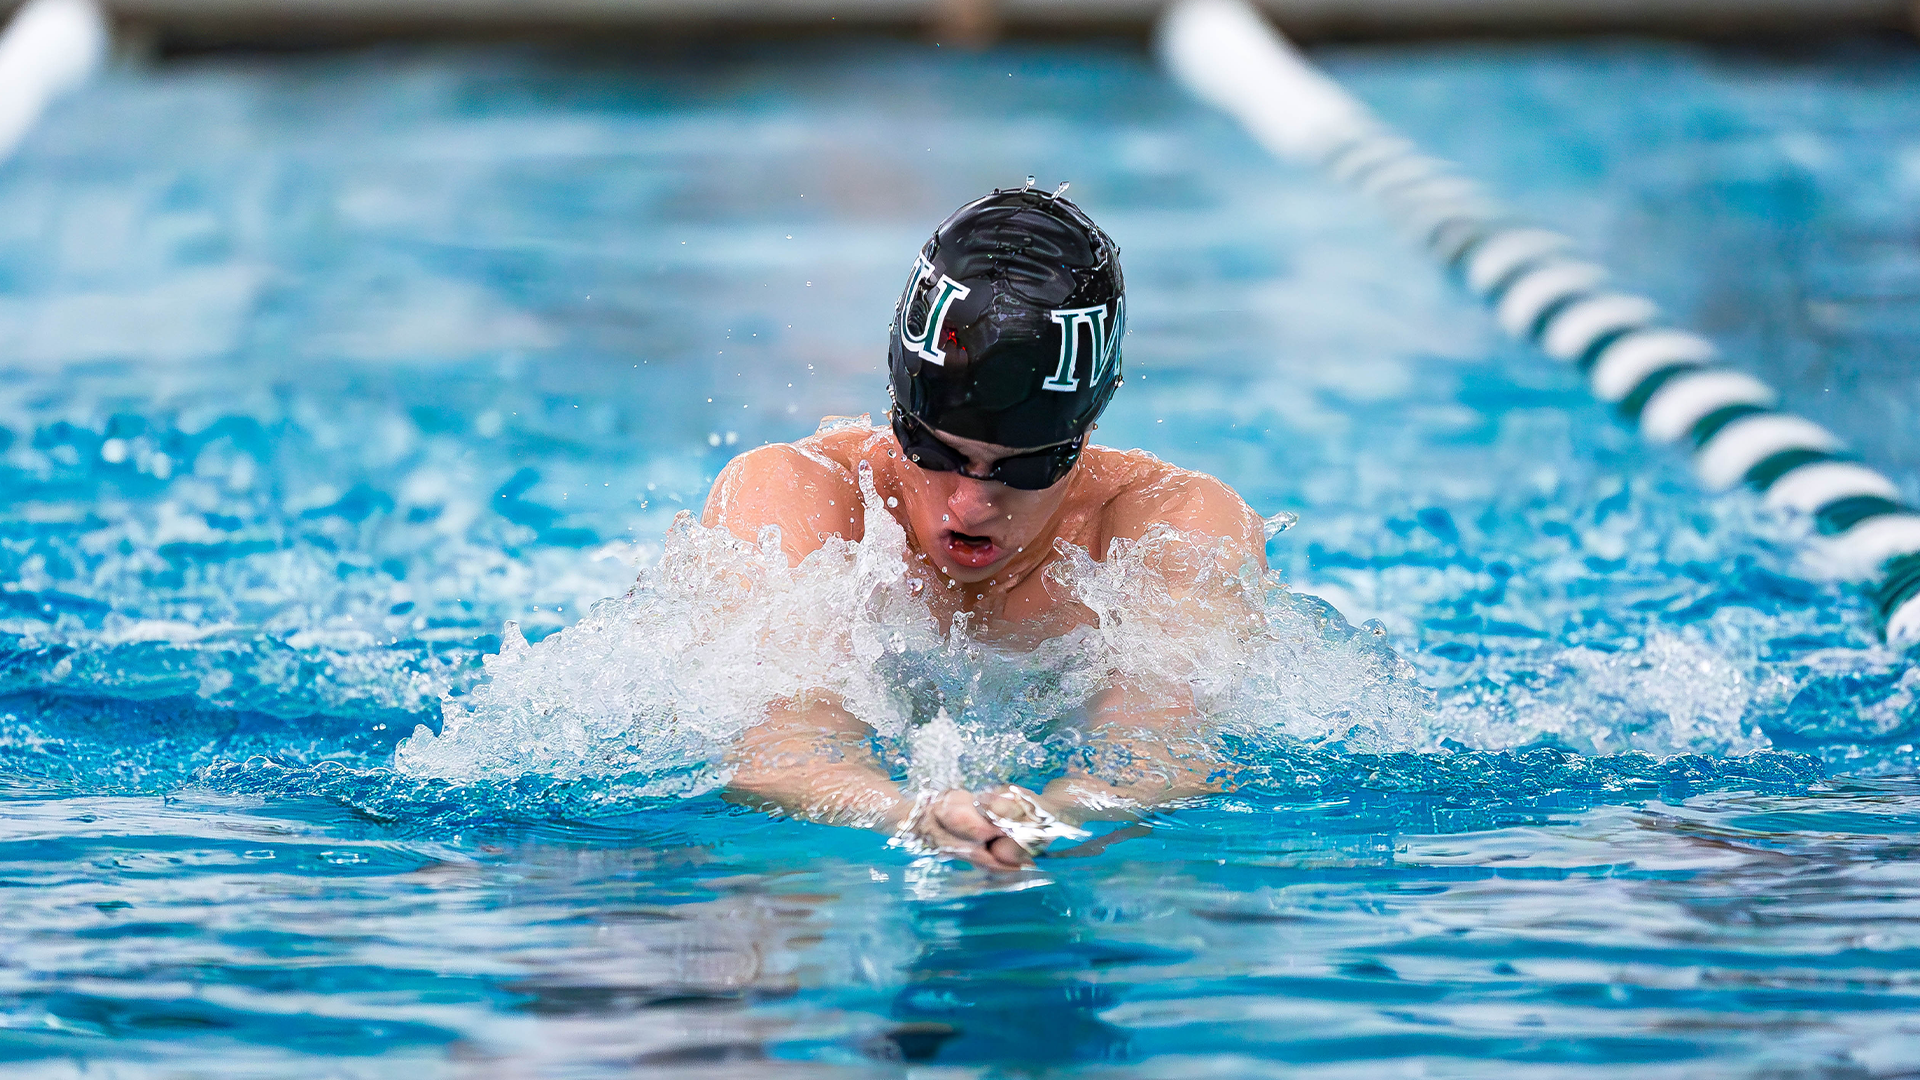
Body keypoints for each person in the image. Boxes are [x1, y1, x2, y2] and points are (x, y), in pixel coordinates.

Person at [704, 186, 1267, 870]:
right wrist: (910, 817)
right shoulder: (801, 496)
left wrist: (1039, 820)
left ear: (1087, 431)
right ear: (895, 405)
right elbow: (780, 746)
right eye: (934, 453)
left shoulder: (1166, 526)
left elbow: (1157, 755)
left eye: (1024, 470)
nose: (969, 505)